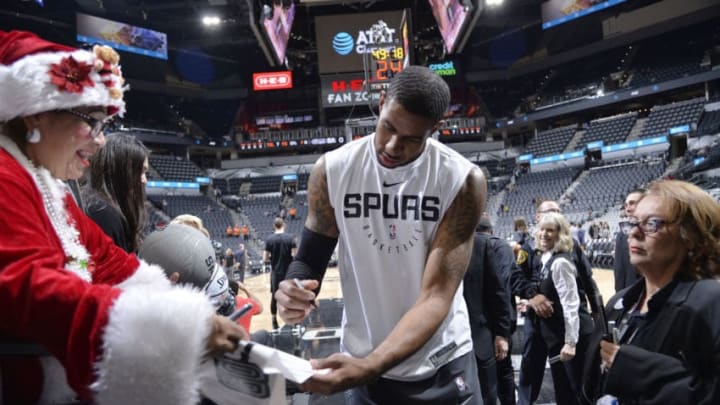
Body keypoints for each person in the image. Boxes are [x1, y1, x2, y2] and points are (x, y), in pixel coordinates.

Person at [0, 30, 247, 403]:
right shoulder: (6, 178)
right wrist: (174, 328)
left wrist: (179, 309)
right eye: (92, 121)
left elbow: (109, 260)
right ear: (36, 114)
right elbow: (30, 287)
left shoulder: (44, 183)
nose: (100, 141)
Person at [274, 65, 487, 403]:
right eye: (387, 126)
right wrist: (292, 290)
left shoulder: (462, 181)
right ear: (381, 102)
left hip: (441, 359)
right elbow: (310, 259)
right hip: (363, 357)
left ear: (436, 129)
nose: (391, 145)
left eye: (411, 139)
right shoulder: (332, 169)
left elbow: (436, 296)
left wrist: (371, 364)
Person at [584, 180, 720, 404]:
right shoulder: (620, 302)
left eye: (652, 223)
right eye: (632, 223)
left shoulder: (710, 303)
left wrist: (638, 370)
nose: (634, 233)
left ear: (691, 235)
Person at [511, 199, 600, 405]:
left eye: (558, 212)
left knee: (570, 383)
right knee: (531, 370)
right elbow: (517, 279)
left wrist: (595, 310)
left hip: (565, 324)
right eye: (549, 212)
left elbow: (586, 279)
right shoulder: (528, 247)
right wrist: (532, 296)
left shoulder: (568, 249)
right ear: (538, 217)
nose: (555, 214)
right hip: (537, 322)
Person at [534, 213, 591, 405]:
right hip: (558, 337)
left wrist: (571, 342)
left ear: (561, 234)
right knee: (563, 392)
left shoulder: (560, 263)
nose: (544, 234)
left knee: (576, 393)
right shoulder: (546, 258)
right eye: (542, 229)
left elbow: (571, 304)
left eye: (550, 230)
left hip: (570, 339)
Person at [463, 216, 513, 405]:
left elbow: (497, 293)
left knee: (488, 397)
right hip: (444, 344)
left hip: (481, 340)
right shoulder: (431, 244)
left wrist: (502, 333)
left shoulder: (482, 245)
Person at [81, 133, 149, 253]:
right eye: (140, 171)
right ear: (121, 170)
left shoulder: (98, 205)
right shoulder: (102, 213)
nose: (144, 180)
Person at [264, 217, 296, 330]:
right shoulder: (290, 238)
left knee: (274, 297)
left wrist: (273, 258)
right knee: (291, 296)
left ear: (274, 226)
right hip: (289, 273)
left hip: (275, 273)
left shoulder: (269, 239)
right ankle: (294, 321)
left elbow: (265, 258)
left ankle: (274, 321)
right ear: (284, 225)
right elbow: (294, 255)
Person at [613, 188, 644, 292]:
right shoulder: (621, 236)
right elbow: (619, 272)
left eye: (632, 204)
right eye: (626, 205)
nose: (627, 209)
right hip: (631, 295)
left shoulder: (660, 233)